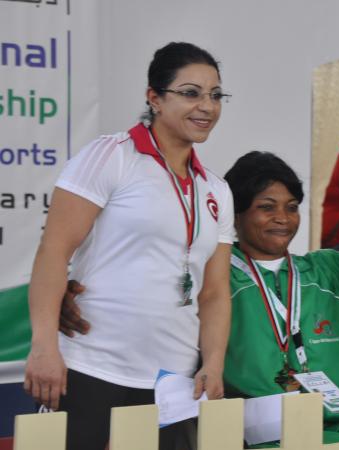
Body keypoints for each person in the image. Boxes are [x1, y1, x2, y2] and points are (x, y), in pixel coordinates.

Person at [61, 151, 339, 447]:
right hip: (258, 427)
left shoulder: (326, 271)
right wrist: (69, 289)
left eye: (291, 206)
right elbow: (140, 281)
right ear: (236, 214)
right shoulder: (213, 277)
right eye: (266, 207)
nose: (282, 219)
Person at [24, 42, 234, 450]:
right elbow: (53, 252)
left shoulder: (216, 190)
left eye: (215, 94)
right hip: (91, 366)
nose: (206, 106)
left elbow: (213, 292)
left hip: (172, 382)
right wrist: (44, 346)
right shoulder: (111, 157)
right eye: (190, 93)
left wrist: (212, 362)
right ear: (154, 98)